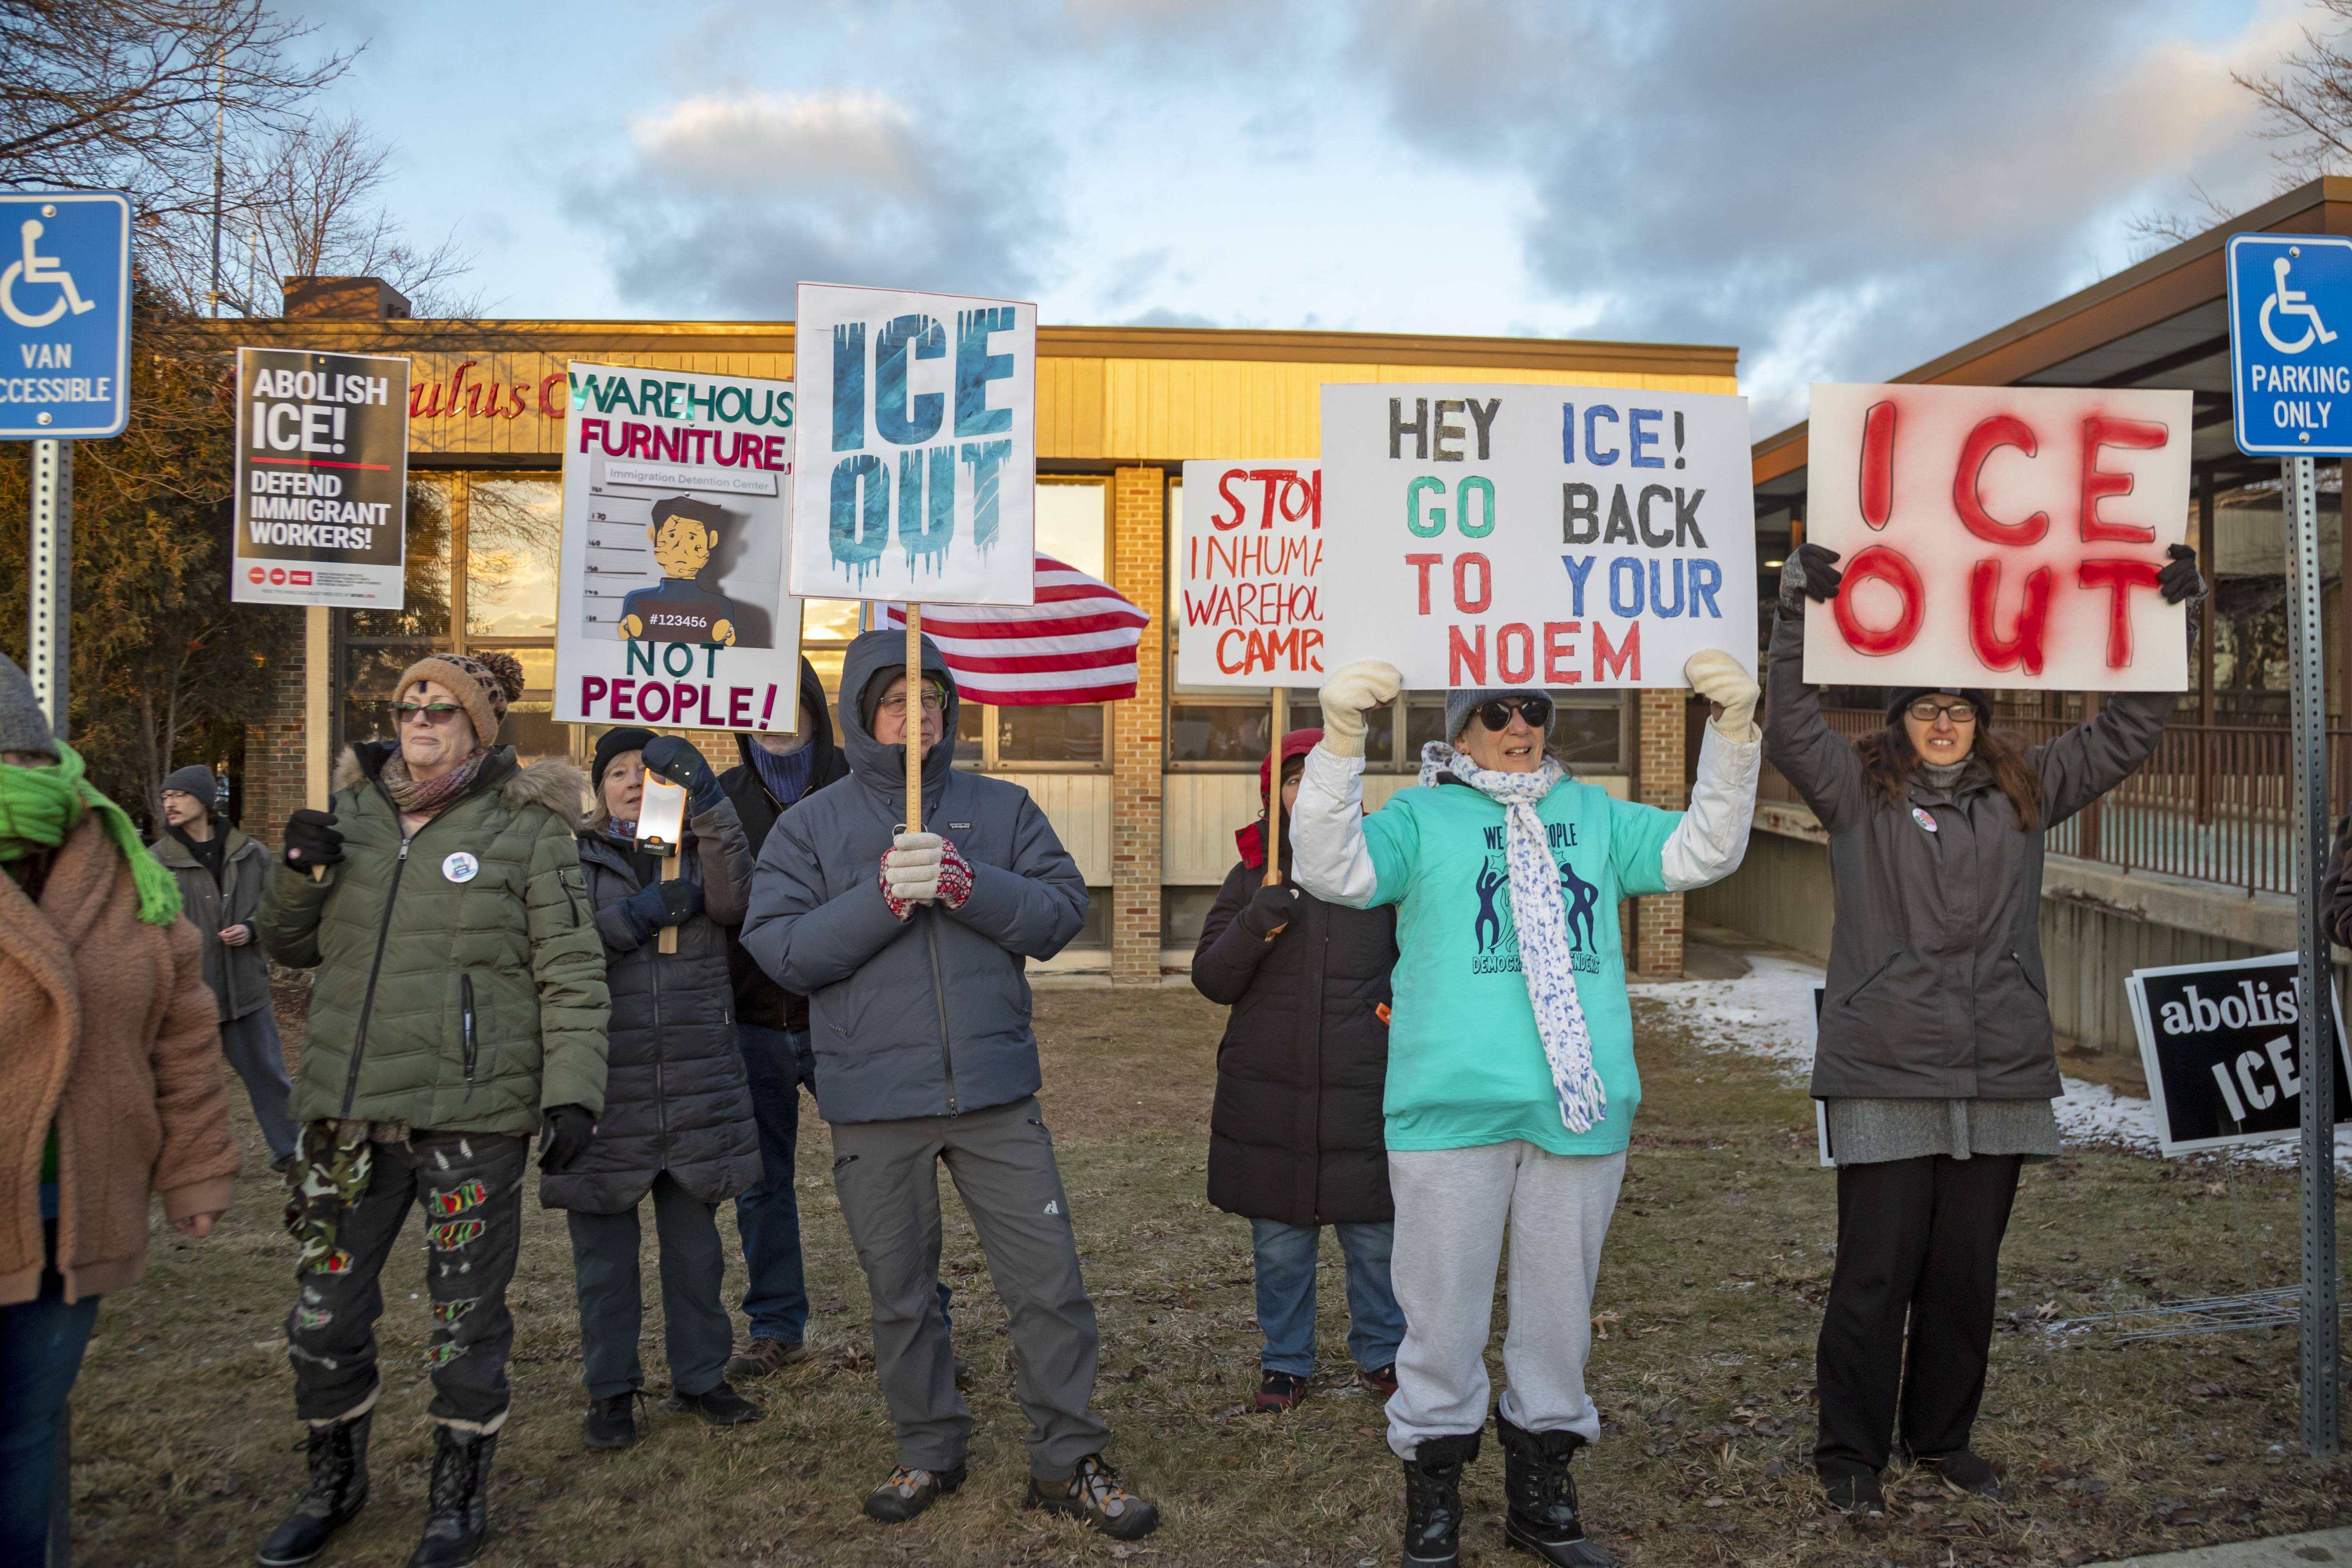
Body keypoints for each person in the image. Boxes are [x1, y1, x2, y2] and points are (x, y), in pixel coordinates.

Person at [1293, 653, 1763, 1568]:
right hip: (1449, 1107)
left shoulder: (1589, 812)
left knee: (1557, 1314)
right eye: (1499, 710)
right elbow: (1330, 866)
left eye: (1535, 708)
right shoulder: (1421, 815)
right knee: (1442, 1315)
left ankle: (1541, 1494)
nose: (1521, 725)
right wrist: (1341, 739)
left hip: (1578, 1111)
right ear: (1461, 727)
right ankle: (1433, 1493)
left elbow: (1704, 849)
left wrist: (1735, 729)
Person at [1767, 541, 2204, 1516]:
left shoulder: (2026, 787)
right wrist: (1794, 608)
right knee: (1876, 1269)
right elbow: (1790, 722)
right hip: (1884, 1061)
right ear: (1896, 719)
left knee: (1965, 1271)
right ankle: (1850, 1452)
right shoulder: (1853, 792)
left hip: (1999, 1064)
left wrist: (2170, 616)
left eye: (1960, 706)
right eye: (1924, 706)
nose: (1942, 722)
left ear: (1981, 718)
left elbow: (2129, 727)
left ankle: (1940, 1436)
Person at [739, 630, 1158, 1540]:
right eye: (897, 701)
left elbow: (1058, 914)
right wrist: (882, 899)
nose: (917, 714)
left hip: (994, 1094)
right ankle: (929, 1444)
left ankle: (1068, 1455)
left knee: (1048, 1283)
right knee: (901, 1291)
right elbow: (781, 950)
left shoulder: (1002, 807)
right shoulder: (811, 824)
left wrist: (971, 884)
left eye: (931, 700)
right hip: (872, 1102)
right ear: (859, 714)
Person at [254, 650, 610, 1568]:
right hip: (348, 1114)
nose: (420, 718)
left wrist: (572, 1089)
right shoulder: (353, 817)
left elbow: (570, 969)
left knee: (464, 1320)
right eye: (409, 703)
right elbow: (286, 943)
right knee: (324, 1315)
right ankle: (334, 1477)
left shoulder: (528, 829)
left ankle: (457, 1495)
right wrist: (298, 867)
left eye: (443, 708)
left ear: (477, 729)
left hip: (470, 1116)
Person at [0, 655, 238, 1568]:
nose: (16, 783)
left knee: (24, 1432)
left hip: (78, 1212)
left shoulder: (127, 878)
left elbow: (183, 1037)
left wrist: (195, 1169)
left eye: (24, 760)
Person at [548, 726, 762, 1449]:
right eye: (617, 772)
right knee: (604, 1255)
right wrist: (632, 919)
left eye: (648, 770)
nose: (634, 781)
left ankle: (701, 1375)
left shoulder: (695, 846)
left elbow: (739, 902)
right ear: (598, 787)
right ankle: (611, 1390)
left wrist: (708, 798)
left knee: (696, 1249)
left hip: (695, 1074)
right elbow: (554, 946)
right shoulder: (570, 857)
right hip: (606, 1078)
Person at [1191, 727, 1403, 1413]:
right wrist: (1255, 923)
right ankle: (1285, 1362)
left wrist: (1392, 1010)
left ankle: (1385, 1352)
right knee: (1281, 1244)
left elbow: (1423, 958)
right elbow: (1213, 979)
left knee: (1376, 1236)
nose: (1306, 791)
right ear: (1271, 794)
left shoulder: (1385, 870)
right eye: (1292, 779)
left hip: (1362, 1085)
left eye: (1320, 777)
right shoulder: (1256, 876)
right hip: (1270, 1090)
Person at [718, 658, 848, 1380]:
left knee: (882, 1174)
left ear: (810, 705)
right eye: (754, 700)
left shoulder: (857, 786)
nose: (770, 717)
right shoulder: (719, 795)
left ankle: (920, 1313)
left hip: (843, 1016)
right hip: (752, 1018)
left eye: (783, 699)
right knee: (761, 1182)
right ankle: (775, 1324)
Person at [150, 762, 299, 1171]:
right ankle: (173, 1163)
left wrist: (252, 929)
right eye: (165, 797)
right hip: (187, 997)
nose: (170, 803)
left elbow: (276, 910)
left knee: (270, 1076)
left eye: (179, 794)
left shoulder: (253, 854)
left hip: (245, 991)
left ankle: (292, 1151)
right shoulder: (155, 862)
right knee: (180, 1087)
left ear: (204, 799)